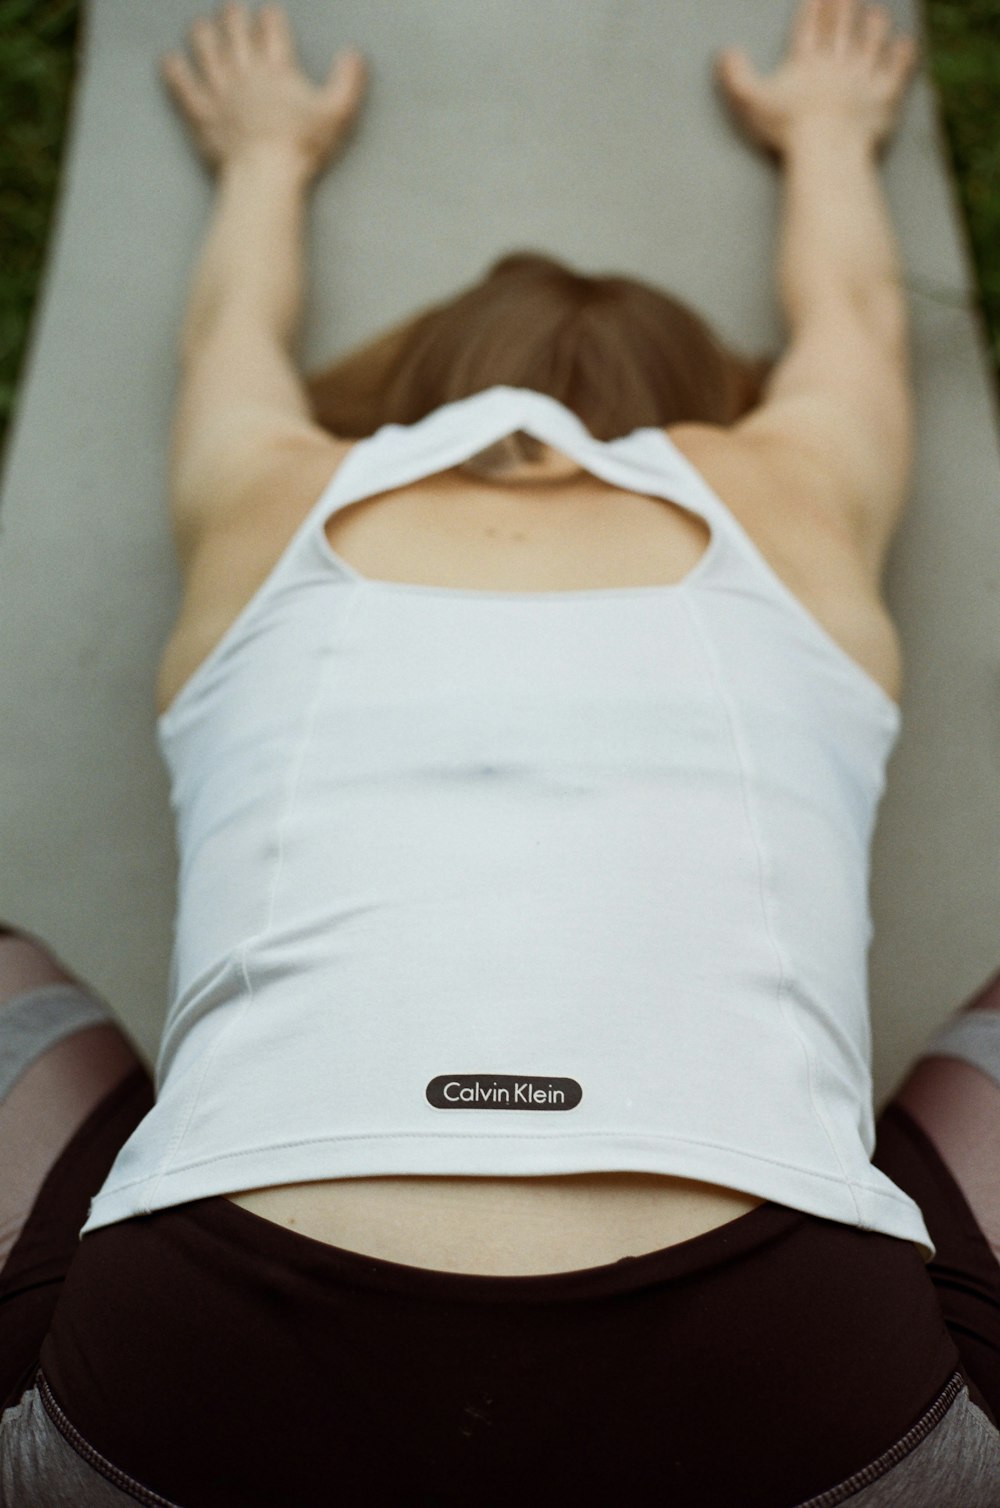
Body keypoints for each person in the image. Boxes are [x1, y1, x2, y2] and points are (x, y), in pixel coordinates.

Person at [2, 0, 999, 1501]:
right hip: (789, 1369)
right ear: (694, 399)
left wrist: (266, 155)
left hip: (201, 1368)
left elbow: (230, 337)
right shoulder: (789, 487)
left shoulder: (271, 490)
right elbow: (857, 323)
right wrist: (830, 137)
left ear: (411, 392)